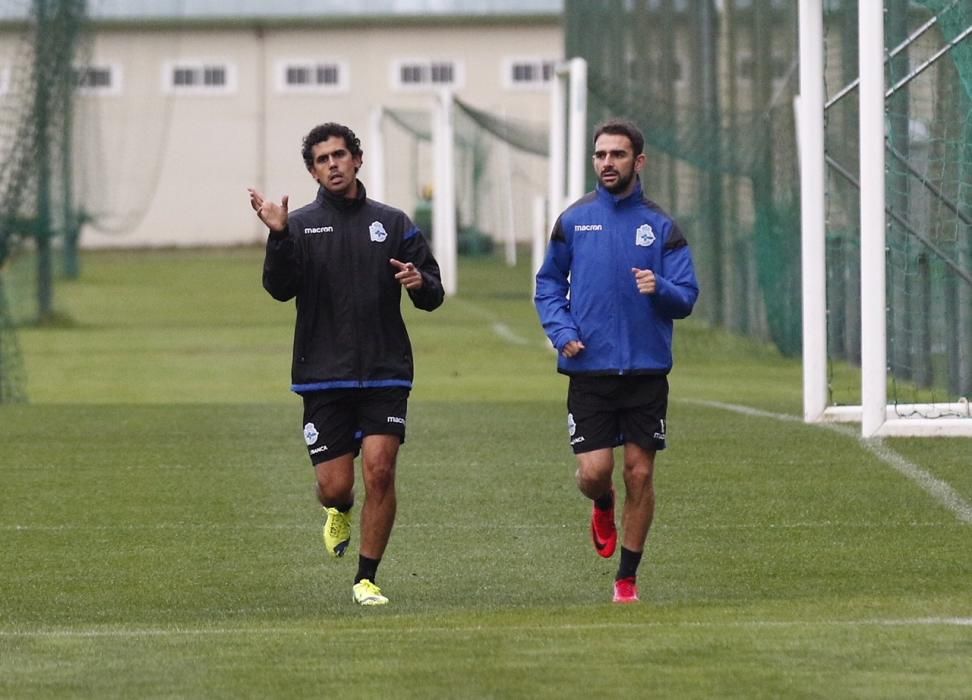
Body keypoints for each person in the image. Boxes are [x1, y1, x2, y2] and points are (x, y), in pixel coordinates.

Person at [248, 122, 444, 606]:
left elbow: (433, 293)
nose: (332, 165)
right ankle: (338, 510)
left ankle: (366, 577)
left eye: (339, 155)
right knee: (335, 487)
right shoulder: (300, 226)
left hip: (385, 371)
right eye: (322, 159)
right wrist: (278, 237)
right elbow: (279, 288)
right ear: (312, 171)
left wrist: (419, 281)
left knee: (380, 470)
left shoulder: (394, 223)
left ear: (357, 159)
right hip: (323, 375)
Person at [534, 118, 699, 604]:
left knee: (641, 474)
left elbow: (687, 296)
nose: (607, 163)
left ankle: (627, 579)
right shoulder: (573, 220)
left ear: (638, 161)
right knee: (594, 474)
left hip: (646, 371)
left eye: (618, 155)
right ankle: (601, 503)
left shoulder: (662, 226)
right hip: (590, 370)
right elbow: (548, 285)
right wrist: (562, 331)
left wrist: (660, 288)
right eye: (601, 155)